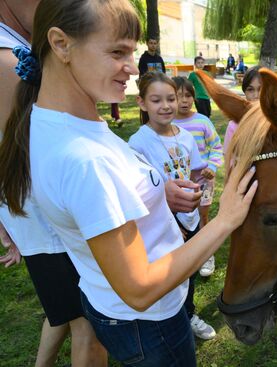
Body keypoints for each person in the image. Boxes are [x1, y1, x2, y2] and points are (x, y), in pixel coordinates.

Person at [0, 1, 257, 366]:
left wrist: (155, 192)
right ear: (60, 44)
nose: (131, 68)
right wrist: (225, 220)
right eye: (117, 51)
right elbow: (140, 288)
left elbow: (101, 196)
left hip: (108, 304)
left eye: (132, 52)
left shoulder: (60, 120)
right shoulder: (83, 159)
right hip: (149, 323)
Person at [0, 1, 108, 366]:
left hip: (41, 215)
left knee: (65, 311)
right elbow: (43, 145)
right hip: (48, 217)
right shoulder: (5, 56)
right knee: (92, 323)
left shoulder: (21, 42)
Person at [129, 71, 216, 340]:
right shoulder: (137, 143)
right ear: (142, 103)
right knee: (168, 272)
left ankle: (188, 313)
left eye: (171, 98)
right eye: (156, 100)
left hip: (189, 218)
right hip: (160, 222)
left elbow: (193, 173)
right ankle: (172, 318)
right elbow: (137, 192)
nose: (166, 106)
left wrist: (198, 194)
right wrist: (169, 222)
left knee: (188, 270)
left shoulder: (187, 138)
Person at [173, 76, 223, 278]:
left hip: (204, 183)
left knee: (202, 216)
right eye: (178, 97)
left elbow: (216, 147)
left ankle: (205, 255)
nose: (184, 101)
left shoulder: (202, 121)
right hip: (179, 185)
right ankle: (183, 254)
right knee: (179, 219)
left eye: (188, 96)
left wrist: (211, 166)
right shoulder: (168, 124)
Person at [223, 66, 261, 155]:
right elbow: (229, 158)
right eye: (250, 89)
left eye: (261, 89)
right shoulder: (234, 125)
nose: (256, 95)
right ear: (245, 93)